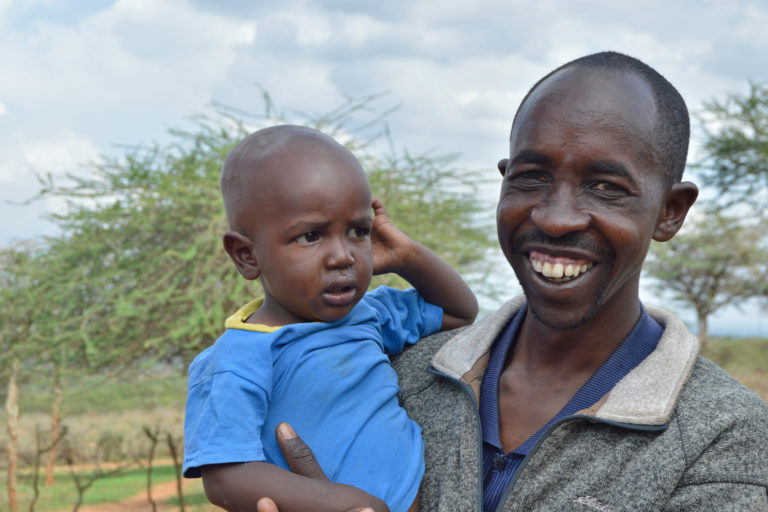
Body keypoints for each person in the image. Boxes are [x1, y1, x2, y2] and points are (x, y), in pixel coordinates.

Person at [258, 52, 768, 511]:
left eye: (605, 187)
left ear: (670, 212)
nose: (555, 217)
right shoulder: (399, 372)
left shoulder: (723, 434)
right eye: (532, 176)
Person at [182, 124, 479, 512]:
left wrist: (407, 256)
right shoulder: (237, 359)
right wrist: (332, 501)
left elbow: (459, 310)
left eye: (358, 231)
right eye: (310, 236)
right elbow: (224, 475)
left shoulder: (370, 314)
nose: (343, 256)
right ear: (246, 255)